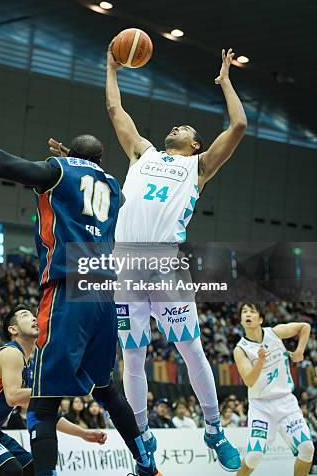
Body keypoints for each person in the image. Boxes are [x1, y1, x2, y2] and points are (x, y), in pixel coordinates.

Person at [0, 113, 161, 476]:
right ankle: (147, 464)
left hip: (68, 289)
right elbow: (89, 183)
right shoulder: (114, 188)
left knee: (42, 403)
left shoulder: (58, 172)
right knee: (107, 390)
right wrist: (77, 163)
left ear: (69, 159)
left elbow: (5, 164)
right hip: (103, 296)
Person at [103, 44, 244, 471]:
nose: (178, 125)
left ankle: (215, 429)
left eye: (186, 127)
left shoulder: (198, 167)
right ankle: (142, 439)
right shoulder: (142, 153)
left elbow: (238, 124)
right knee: (132, 355)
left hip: (165, 263)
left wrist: (225, 84)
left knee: (191, 350)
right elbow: (115, 109)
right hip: (125, 263)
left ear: (195, 143)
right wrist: (112, 67)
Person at [0, 305, 107, 476]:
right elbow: (13, 396)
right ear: (13, 329)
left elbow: (44, 413)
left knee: (31, 469)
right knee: (10, 470)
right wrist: (53, 386)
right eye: (25, 315)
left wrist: (83, 433)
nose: (34, 318)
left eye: (33, 316)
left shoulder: (31, 367)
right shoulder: (10, 353)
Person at [234, 303, 314, 476]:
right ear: (241, 320)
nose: (248, 314)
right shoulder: (240, 349)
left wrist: (300, 351)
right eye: (244, 312)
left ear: (260, 319)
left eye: (252, 311)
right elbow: (248, 380)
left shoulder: (275, 333)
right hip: (261, 406)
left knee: (307, 449)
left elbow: (304, 327)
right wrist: (260, 362)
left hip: (286, 402)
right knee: (254, 456)